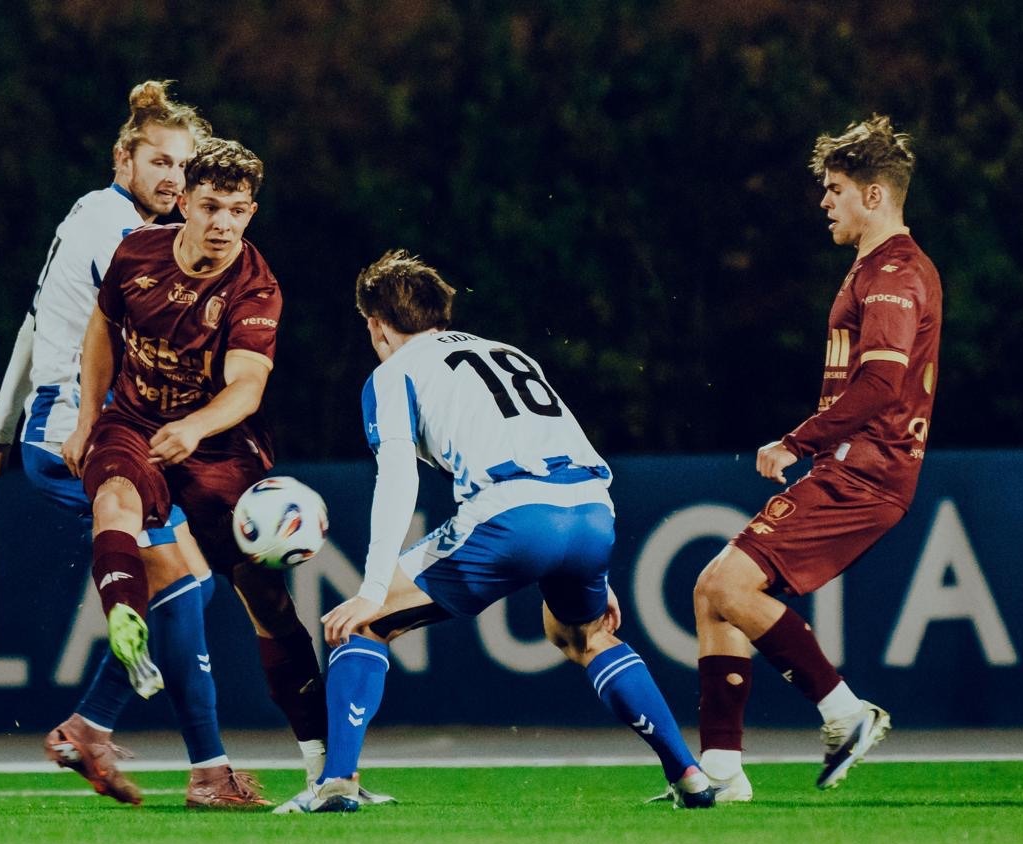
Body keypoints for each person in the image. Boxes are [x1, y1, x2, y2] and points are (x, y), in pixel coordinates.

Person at [0, 84, 327, 809]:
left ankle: (102, 730)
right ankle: (194, 768)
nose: (171, 178)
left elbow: (35, 323)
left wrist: (0, 431)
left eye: (182, 164)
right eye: (161, 162)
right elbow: (106, 330)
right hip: (83, 425)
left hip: (57, 420)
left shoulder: (88, 214)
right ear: (122, 158)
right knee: (185, 581)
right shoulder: (122, 232)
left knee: (186, 583)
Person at [275, 249, 717, 814]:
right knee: (582, 636)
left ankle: (335, 783)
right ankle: (689, 774)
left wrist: (372, 587)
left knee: (361, 624)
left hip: (513, 514)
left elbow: (398, 477)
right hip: (591, 510)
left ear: (376, 324)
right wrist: (593, 570)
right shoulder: (508, 352)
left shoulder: (392, 373)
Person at [691, 115, 941, 800]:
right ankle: (721, 772)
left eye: (835, 189)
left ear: (874, 195)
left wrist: (795, 442)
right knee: (714, 592)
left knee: (728, 587)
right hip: (854, 467)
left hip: (868, 470)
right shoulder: (876, 269)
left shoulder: (894, 273)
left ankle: (845, 711)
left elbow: (881, 383)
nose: (824, 201)